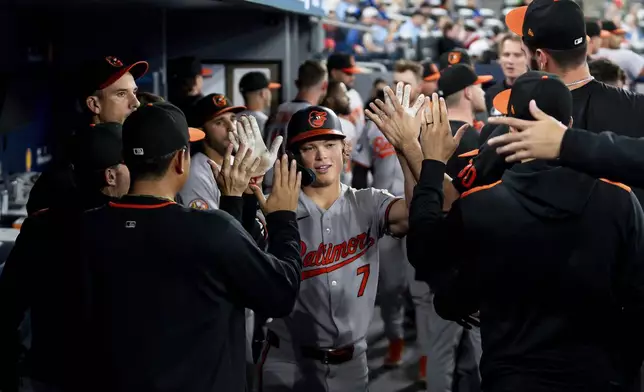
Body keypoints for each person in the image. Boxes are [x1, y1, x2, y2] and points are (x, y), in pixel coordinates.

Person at [407, 72, 644, 392]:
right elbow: (636, 297)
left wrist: (433, 163)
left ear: (510, 125)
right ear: (569, 123)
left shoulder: (482, 203)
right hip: (599, 375)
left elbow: (426, 255)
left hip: (513, 376)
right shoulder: (619, 198)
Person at [76, 102, 303, 391]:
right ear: (181, 160)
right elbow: (281, 293)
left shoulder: (84, 227)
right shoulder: (210, 229)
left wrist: (235, 199)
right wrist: (283, 218)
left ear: (125, 159)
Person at [258, 104, 414, 392]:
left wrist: (406, 150)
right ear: (294, 156)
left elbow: (419, 214)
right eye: (309, 147)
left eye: (330, 144)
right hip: (288, 362)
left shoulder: (369, 202)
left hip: (353, 364)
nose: (321, 156)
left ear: (345, 149)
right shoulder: (275, 207)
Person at [455, 0, 644, 208]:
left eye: (522, 50)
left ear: (540, 57)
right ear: (586, 43)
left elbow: (456, 196)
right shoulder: (637, 107)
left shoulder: (515, 129)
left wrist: (429, 160)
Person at [0, 123, 130, 392]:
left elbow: (9, 305)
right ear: (111, 176)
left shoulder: (42, 224)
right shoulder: (126, 227)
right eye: (130, 164)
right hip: (111, 374)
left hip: (47, 371)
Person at [27, 55, 148, 215]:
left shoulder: (139, 146)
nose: (136, 103)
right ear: (94, 104)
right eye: (121, 94)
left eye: (134, 92)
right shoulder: (69, 169)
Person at [263, 60, 328, 192]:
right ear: (324, 85)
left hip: (268, 183)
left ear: (297, 83)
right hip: (293, 188)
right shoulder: (312, 116)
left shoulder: (278, 110)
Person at [438, 64, 491, 177]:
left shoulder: (430, 134)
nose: (483, 93)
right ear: (468, 92)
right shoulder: (475, 139)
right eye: (479, 87)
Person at [321, 80, 356, 186]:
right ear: (330, 100)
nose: (348, 98)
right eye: (343, 95)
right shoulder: (344, 125)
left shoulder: (348, 125)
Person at [485, 34, 529, 116]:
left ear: (528, 58)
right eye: (506, 55)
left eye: (517, 55)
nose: (510, 61)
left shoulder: (538, 92)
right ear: (499, 58)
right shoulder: (491, 93)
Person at [327, 52, 365, 133]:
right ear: (334, 72)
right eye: (348, 73)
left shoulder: (355, 94)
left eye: (353, 73)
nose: (352, 77)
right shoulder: (325, 97)